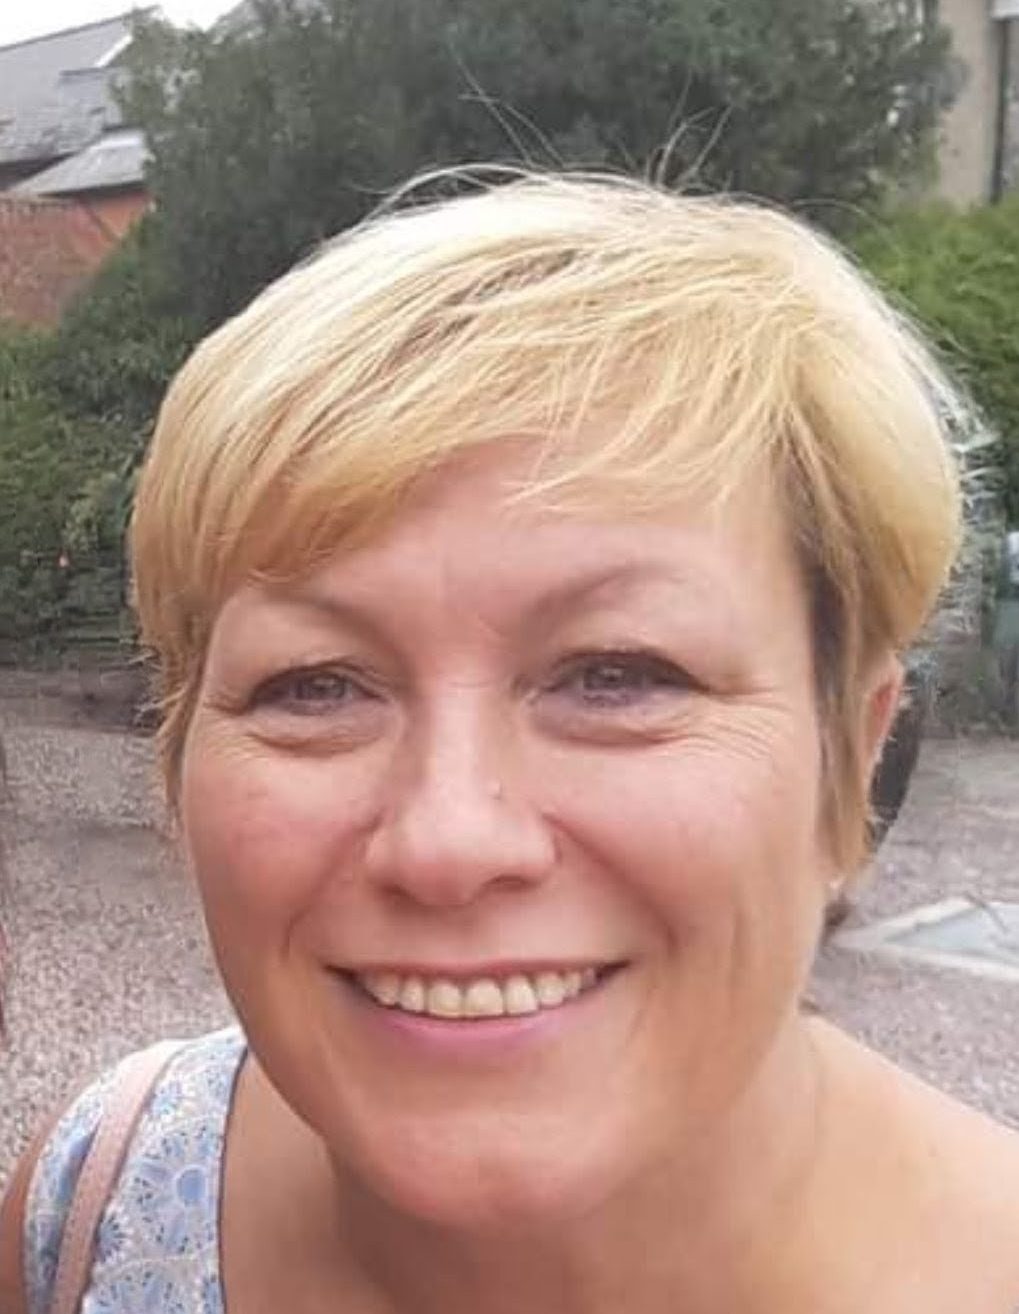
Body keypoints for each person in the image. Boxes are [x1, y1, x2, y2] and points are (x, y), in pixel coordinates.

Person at [2, 169, 1018, 1314]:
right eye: (315, 686)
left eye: (617, 676)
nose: (447, 841)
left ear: (854, 752)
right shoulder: (94, 1214)